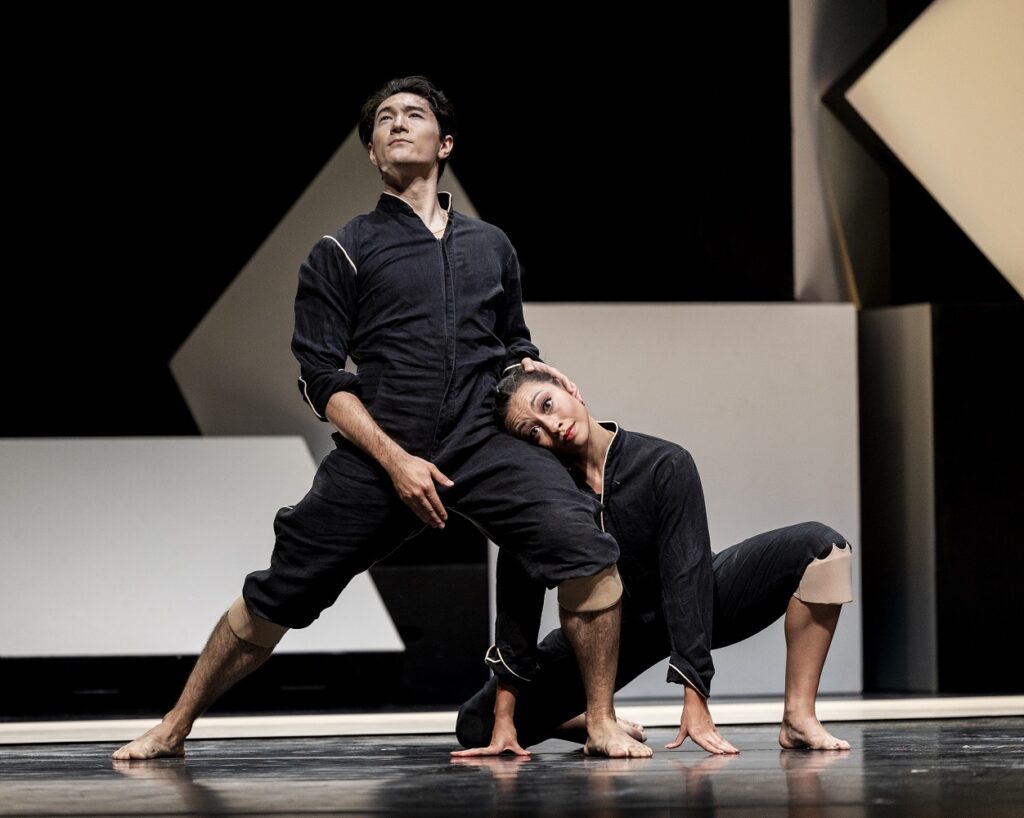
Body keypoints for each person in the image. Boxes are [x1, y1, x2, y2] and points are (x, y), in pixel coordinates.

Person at [113, 76, 649, 760]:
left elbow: (514, 346)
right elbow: (323, 378)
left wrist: (536, 376)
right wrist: (396, 462)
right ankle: (175, 724)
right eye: (384, 120)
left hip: (483, 439)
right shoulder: (342, 250)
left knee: (587, 551)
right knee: (282, 590)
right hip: (380, 449)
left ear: (444, 142)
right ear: (371, 152)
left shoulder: (493, 247)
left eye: (414, 115)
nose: (397, 124)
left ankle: (600, 720)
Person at [453, 368, 853, 757]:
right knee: (476, 726)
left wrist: (695, 697)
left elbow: (687, 575)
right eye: (533, 431)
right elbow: (517, 602)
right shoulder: (543, 498)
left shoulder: (664, 463)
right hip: (608, 636)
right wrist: (506, 717)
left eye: (548, 404)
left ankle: (798, 718)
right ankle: (587, 717)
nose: (552, 425)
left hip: (698, 601)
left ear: (569, 388)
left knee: (823, 550)